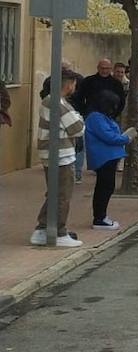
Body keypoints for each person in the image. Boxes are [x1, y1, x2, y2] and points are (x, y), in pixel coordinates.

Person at [31, 69, 86, 247]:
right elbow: (78, 128)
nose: (75, 87)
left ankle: (43, 229)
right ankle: (59, 232)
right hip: (61, 155)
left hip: (53, 153)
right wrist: (79, 117)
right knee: (62, 194)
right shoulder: (58, 103)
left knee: (54, 193)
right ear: (68, 84)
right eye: (74, 84)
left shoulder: (51, 100)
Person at [84, 90, 136, 231]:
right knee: (104, 187)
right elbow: (109, 136)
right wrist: (126, 138)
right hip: (104, 156)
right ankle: (99, 218)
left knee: (106, 186)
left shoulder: (102, 117)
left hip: (108, 156)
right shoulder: (96, 118)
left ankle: (101, 216)